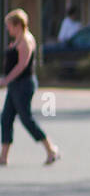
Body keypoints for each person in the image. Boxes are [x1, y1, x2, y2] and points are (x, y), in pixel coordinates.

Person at [1, 9, 58, 166]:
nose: (8, 29)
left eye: (9, 26)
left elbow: (22, 65)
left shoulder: (26, 40)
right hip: (15, 85)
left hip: (23, 84)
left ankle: (50, 149)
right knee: (6, 118)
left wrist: (6, 79)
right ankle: (3, 156)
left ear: (18, 25)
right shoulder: (18, 39)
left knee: (26, 119)